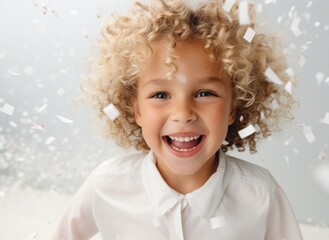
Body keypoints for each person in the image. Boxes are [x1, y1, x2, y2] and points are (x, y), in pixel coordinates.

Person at [53, 0, 303, 239]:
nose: (183, 114)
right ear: (136, 109)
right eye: (160, 94)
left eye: (205, 93)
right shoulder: (106, 186)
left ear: (232, 107)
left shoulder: (261, 195)